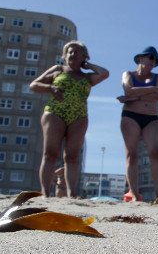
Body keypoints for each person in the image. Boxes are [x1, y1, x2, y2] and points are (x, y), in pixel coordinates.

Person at [30, 41, 109, 197]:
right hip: (55, 112)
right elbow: (34, 85)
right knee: (50, 153)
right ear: (64, 56)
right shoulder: (57, 70)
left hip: (79, 116)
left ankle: (71, 193)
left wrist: (89, 65)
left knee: (72, 156)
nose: (73, 55)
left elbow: (104, 73)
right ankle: (45, 192)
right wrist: (50, 88)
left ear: (84, 57)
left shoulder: (87, 77)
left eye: (77, 52)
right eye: (70, 52)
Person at [118, 46, 158, 202]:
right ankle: (133, 193)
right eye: (150, 57)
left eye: (155, 59)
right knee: (132, 155)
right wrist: (151, 89)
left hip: (150, 117)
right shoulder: (128, 74)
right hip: (131, 116)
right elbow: (128, 89)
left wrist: (135, 97)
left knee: (155, 153)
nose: (153, 61)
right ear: (140, 59)